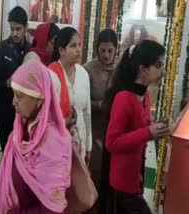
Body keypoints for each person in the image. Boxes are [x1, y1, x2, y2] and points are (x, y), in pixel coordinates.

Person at [0, 60, 72, 213]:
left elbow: (52, 209)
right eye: (14, 94)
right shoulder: (20, 132)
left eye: (20, 96)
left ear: (39, 99)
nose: (14, 102)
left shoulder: (54, 143)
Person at [104, 40, 169, 214]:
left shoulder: (145, 96)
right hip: (122, 184)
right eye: (158, 65)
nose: (162, 71)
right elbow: (112, 142)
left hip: (136, 179)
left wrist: (156, 128)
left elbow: (142, 130)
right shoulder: (124, 98)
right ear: (143, 69)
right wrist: (148, 132)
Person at [0, 6, 31, 152]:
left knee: (23, 152)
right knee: (7, 151)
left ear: (26, 27)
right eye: (12, 29)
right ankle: (4, 174)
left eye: (18, 29)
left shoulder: (31, 51)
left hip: (26, 112)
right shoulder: (0, 50)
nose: (14, 33)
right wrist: (8, 82)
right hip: (5, 111)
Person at [49, 27, 92, 164]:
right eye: (73, 46)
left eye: (79, 44)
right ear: (61, 50)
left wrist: (89, 144)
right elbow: (46, 116)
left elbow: (86, 113)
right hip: (57, 144)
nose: (78, 49)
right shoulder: (51, 75)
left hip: (80, 143)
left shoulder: (83, 74)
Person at [83, 28, 118, 193]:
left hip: (115, 129)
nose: (106, 55)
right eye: (102, 50)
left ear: (116, 49)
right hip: (94, 129)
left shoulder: (120, 70)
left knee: (112, 173)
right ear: (97, 49)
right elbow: (81, 103)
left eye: (110, 51)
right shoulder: (88, 70)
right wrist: (99, 105)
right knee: (95, 172)